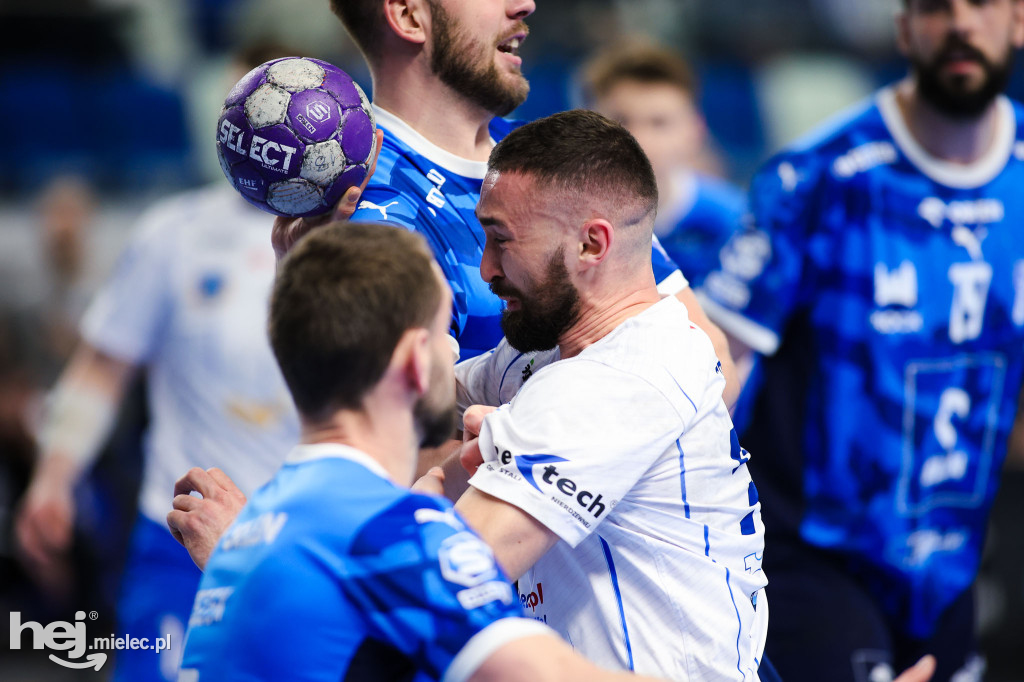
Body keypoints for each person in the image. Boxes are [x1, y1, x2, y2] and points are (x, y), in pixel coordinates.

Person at [174, 109, 767, 680]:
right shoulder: (545, 358)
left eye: (500, 240)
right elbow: (387, 391)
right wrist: (316, 284)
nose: (484, 269)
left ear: (592, 246)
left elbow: (431, 601)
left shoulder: (621, 381)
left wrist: (249, 552)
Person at [694, 1, 1024, 680]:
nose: (961, 24)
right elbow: (717, 358)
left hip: (953, 566)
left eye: (982, 4)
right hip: (816, 557)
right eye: (937, 6)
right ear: (903, 27)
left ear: (1018, 19)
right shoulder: (819, 176)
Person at [175, 221, 659, 682]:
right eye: (445, 338)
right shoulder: (388, 534)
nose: (457, 359)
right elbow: (545, 674)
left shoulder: (252, 532)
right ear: (413, 360)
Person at [272, 0, 740, 407]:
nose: (524, 5)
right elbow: (404, 456)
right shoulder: (370, 216)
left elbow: (713, 362)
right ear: (409, 15)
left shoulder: (556, 155)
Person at [13, 47, 308, 682]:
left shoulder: (359, 235)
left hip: (305, 541)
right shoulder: (173, 232)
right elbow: (102, 366)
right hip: (179, 543)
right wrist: (54, 477)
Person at [582, 41, 747, 291]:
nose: (638, 138)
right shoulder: (560, 220)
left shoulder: (738, 221)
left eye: (659, 122)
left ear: (695, 131)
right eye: (620, 120)